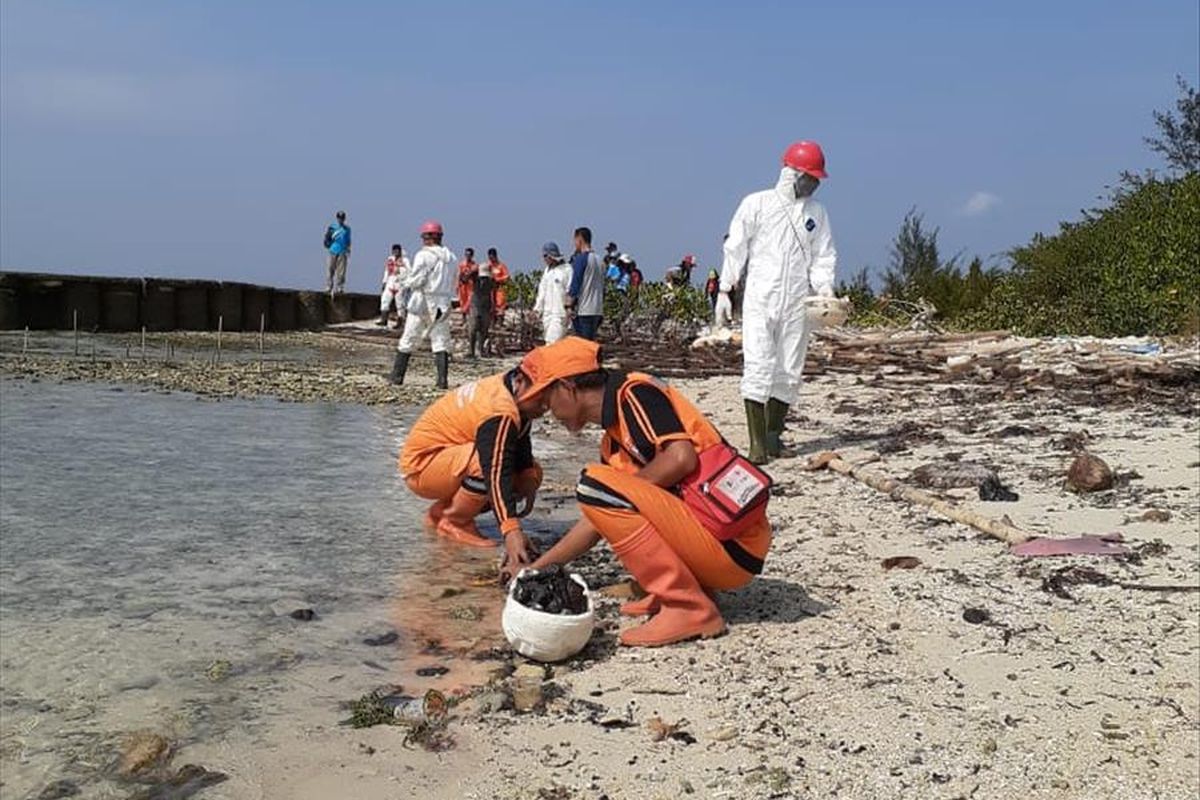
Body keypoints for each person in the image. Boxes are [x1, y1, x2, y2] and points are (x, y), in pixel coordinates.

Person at [523, 339, 772, 647]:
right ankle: (693, 590)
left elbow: (682, 457)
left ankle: (687, 606)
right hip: (715, 547)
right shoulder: (611, 442)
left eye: (548, 401)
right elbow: (599, 518)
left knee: (597, 483)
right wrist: (539, 568)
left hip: (735, 545)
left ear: (567, 388)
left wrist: (625, 492)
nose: (550, 412)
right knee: (603, 489)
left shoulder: (636, 393)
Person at [398, 341, 598, 567]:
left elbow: (519, 445)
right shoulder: (500, 411)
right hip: (422, 467)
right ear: (521, 382)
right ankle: (456, 520)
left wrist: (529, 484)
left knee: (530, 473)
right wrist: (511, 530)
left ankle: (443, 512)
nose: (544, 407)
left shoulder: (514, 394)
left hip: (444, 460)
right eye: (541, 399)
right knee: (486, 466)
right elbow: (494, 468)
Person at [716, 140, 836, 464]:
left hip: (797, 300)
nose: (813, 184)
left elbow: (823, 255)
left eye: (816, 179)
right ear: (791, 173)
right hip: (760, 297)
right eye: (808, 177)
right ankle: (756, 444)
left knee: (789, 368)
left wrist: (824, 289)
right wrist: (725, 289)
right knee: (758, 364)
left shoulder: (816, 213)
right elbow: (736, 247)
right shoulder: (757, 204)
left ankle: (772, 436)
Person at [390, 220, 457, 389]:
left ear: (427, 237)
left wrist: (403, 279)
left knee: (408, 338)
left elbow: (417, 280)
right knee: (441, 341)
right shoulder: (452, 258)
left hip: (422, 302)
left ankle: (397, 378)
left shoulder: (423, 255)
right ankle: (442, 381)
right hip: (442, 304)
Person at [566, 226, 604, 340]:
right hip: (597, 309)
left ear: (579, 239)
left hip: (584, 310)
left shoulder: (581, 259)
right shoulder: (600, 260)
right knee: (591, 341)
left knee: (584, 344)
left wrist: (568, 306)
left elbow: (575, 284)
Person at [533, 241, 572, 344]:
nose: (544, 259)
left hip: (560, 313)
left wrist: (569, 309)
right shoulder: (547, 271)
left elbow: (570, 291)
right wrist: (537, 310)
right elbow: (542, 292)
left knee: (552, 342)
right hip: (547, 313)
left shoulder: (567, 270)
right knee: (548, 341)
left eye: (545, 256)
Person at [465, 257, 494, 359]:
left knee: (483, 330)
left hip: (485, 307)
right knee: (473, 329)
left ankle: (480, 350)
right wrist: (474, 270)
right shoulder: (476, 279)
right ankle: (471, 351)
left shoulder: (490, 281)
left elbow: (493, 293)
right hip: (475, 306)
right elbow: (464, 279)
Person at [378, 244, 410, 327]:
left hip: (400, 283)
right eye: (394, 250)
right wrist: (384, 282)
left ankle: (400, 321)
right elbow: (386, 271)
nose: (396, 252)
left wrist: (407, 283)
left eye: (397, 250)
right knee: (385, 299)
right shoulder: (390, 259)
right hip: (390, 281)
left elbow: (410, 272)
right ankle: (383, 319)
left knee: (400, 303)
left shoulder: (405, 260)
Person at [323, 211, 352, 296]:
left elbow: (348, 240)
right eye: (339, 218)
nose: (341, 220)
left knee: (341, 271)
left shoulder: (347, 229)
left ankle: (340, 287)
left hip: (342, 252)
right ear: (337, 218)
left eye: (342, 218)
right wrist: (328, 245)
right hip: (332, 250)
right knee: (330, 269)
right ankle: (329, 286)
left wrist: (348, 249)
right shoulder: (332, 227)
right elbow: (327, 237)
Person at [487, 248, 510, 324]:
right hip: (491, 288)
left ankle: (500, 322)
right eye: (489, 257)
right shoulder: (488, 266)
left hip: (500, 288)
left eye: (492, 257)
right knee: (491, 304)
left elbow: (507, 276)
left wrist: (498, 279)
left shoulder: (501, 266)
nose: (491, 259)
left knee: (500, 304)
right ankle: (492, 322)